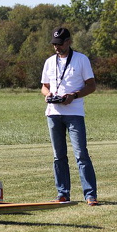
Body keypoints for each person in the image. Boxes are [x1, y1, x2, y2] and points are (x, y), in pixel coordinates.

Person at [41, 27, 98, 206]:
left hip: (74, 113)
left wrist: (73, 96)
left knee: (81, 154)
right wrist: (47, 95)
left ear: (68, 42)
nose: (57, 47)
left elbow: (91, 86)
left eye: (60, 44)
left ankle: (90, 195)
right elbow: (44, 86)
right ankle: (62, 194)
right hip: (53, 114)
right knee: (59, 156)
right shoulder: (49, 62)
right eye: (54, 44)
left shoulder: (81, 60)